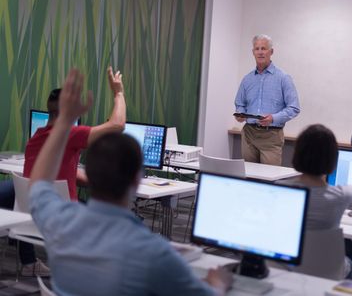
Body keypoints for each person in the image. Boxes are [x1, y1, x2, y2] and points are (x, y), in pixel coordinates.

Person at [28, 69, 232, 296]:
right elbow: (117, 125)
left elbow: (38, 184)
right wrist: (218, 284)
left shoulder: (58, 222)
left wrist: (65, 120)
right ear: (138, 179)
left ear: (90, 175)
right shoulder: (156, 254)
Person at [0, 67, 126, 277]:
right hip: (64, 217)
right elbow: (118, 125)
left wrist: (91, 180)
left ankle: (31, 262)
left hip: (32, 217)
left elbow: (57, 173)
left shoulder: (35, 139)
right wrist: (118, 93)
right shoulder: (71, 134)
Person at [290, 107, 352, 280]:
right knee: (348, 255)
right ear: (333, 160)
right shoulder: (339, 196)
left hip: (289, 269)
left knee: (347, 245)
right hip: (328, 271)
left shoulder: (282, 193)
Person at [234, 34, 300, 166]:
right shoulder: (247, 79)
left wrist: (273, 118)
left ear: (271, 52)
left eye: (263, 48)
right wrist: (240, 114)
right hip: (249, 134)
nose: (260, 52)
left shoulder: (283, 78)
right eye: (257, 49)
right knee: (248, 176)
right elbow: (240, 104)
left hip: (271, 135)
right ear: (253, 52)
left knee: (269, 179)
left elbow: (294, 108)